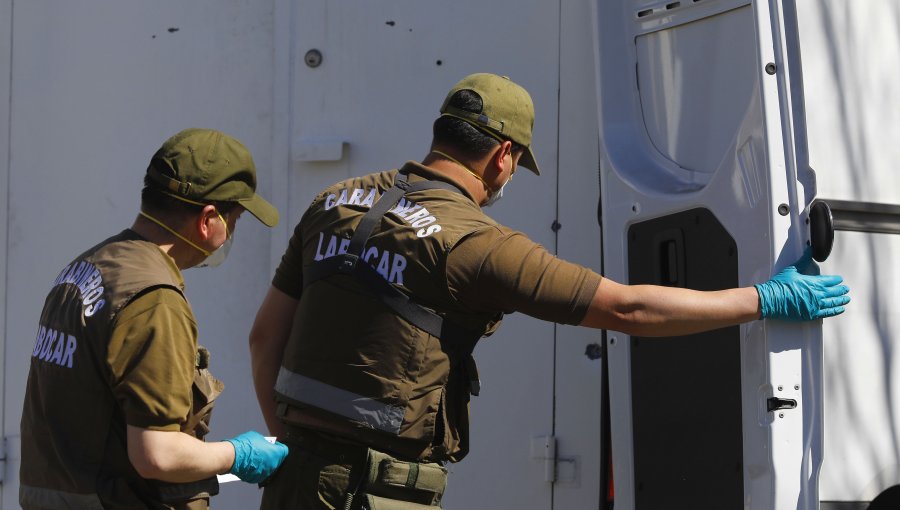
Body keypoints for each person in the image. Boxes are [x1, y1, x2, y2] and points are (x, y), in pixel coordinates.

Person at [249, 74, 850, 509]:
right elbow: (628, 307)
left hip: (291, 479)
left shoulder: (335, 201)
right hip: (374, 494)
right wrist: (764, 300)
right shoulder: (479, 244)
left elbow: (263, 338)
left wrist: (289, 443)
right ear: (503, 156)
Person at [20, 128, 289, 510]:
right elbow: (156, 454)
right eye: (236, 220)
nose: (230, 234)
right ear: (208, 219)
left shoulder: (86, 269)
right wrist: (238, 454)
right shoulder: (155, 299)